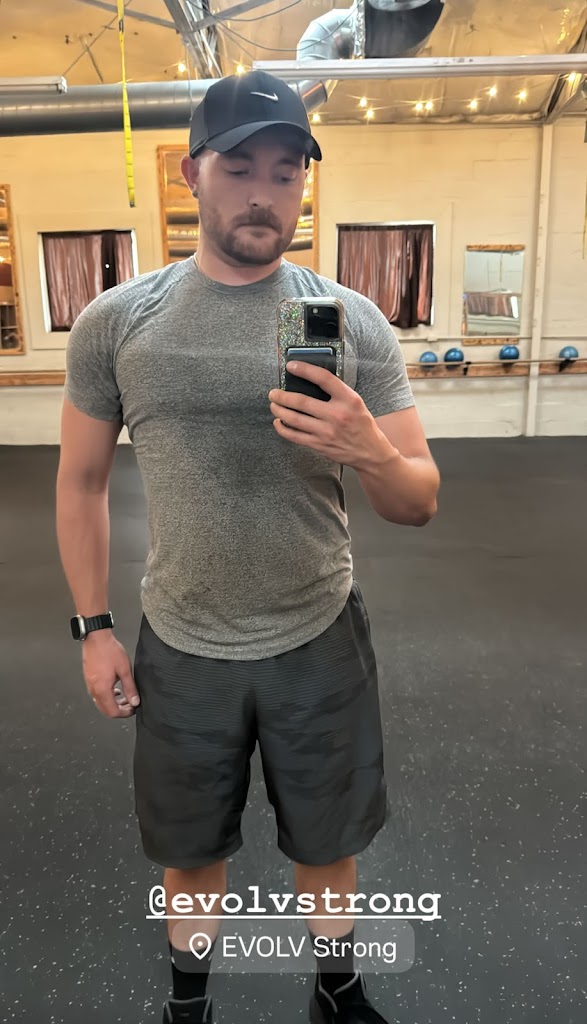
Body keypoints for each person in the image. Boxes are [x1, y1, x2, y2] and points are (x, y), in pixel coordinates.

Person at [57, 70, 440, 1024]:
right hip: (183, 639)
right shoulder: (118, 322)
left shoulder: (349, 320)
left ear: (305, 181)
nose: (263, 192)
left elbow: (419, 500)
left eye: (285, 170)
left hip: (318, 632)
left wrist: (367, 448)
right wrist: (93, 628)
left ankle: (337, 990)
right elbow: (81, 484)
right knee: (189, 851)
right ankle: (189, 1004)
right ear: (192, 174)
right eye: (239, 168)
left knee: (329, 841)